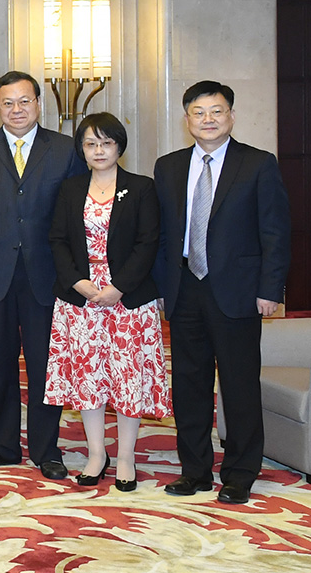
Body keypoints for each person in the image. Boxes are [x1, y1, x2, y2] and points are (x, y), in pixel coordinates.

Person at [153, 80, 290, 504]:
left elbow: (275, 232)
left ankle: (239, 473)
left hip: (239, 291)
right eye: (199, 112)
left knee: (239, 384)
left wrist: (270, 288)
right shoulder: (169, 166)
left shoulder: (258, 163)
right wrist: (161, 287)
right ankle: (194, 471)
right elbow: (162, 234)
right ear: (187, 119)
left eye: (216, 111)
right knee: (188, 384)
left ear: (231, 116)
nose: (208, 119)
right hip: (184, 287)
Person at [0, 70, 84, 479]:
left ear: (38, 104)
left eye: (24, 101)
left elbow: (75, 217)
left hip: (46, 277)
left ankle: (46, 449)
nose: (17, 110)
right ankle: (1, 444)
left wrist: (73, 274)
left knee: (45, 367)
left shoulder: (64, 149)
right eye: (8, 103)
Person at [46, 112, 167, 492]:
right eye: (90, 144)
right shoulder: (70, 189)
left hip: (127, 300)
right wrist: (77, 281)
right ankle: (96, 454)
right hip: (80, 299)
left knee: (128, 377)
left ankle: (126, 456)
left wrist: (119, 286)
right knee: (89, 377)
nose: (99, 150)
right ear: (81, 149)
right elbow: (57, 240)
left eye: (106, 143)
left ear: (119, 146)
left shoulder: (141, 187)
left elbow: (148, 242)